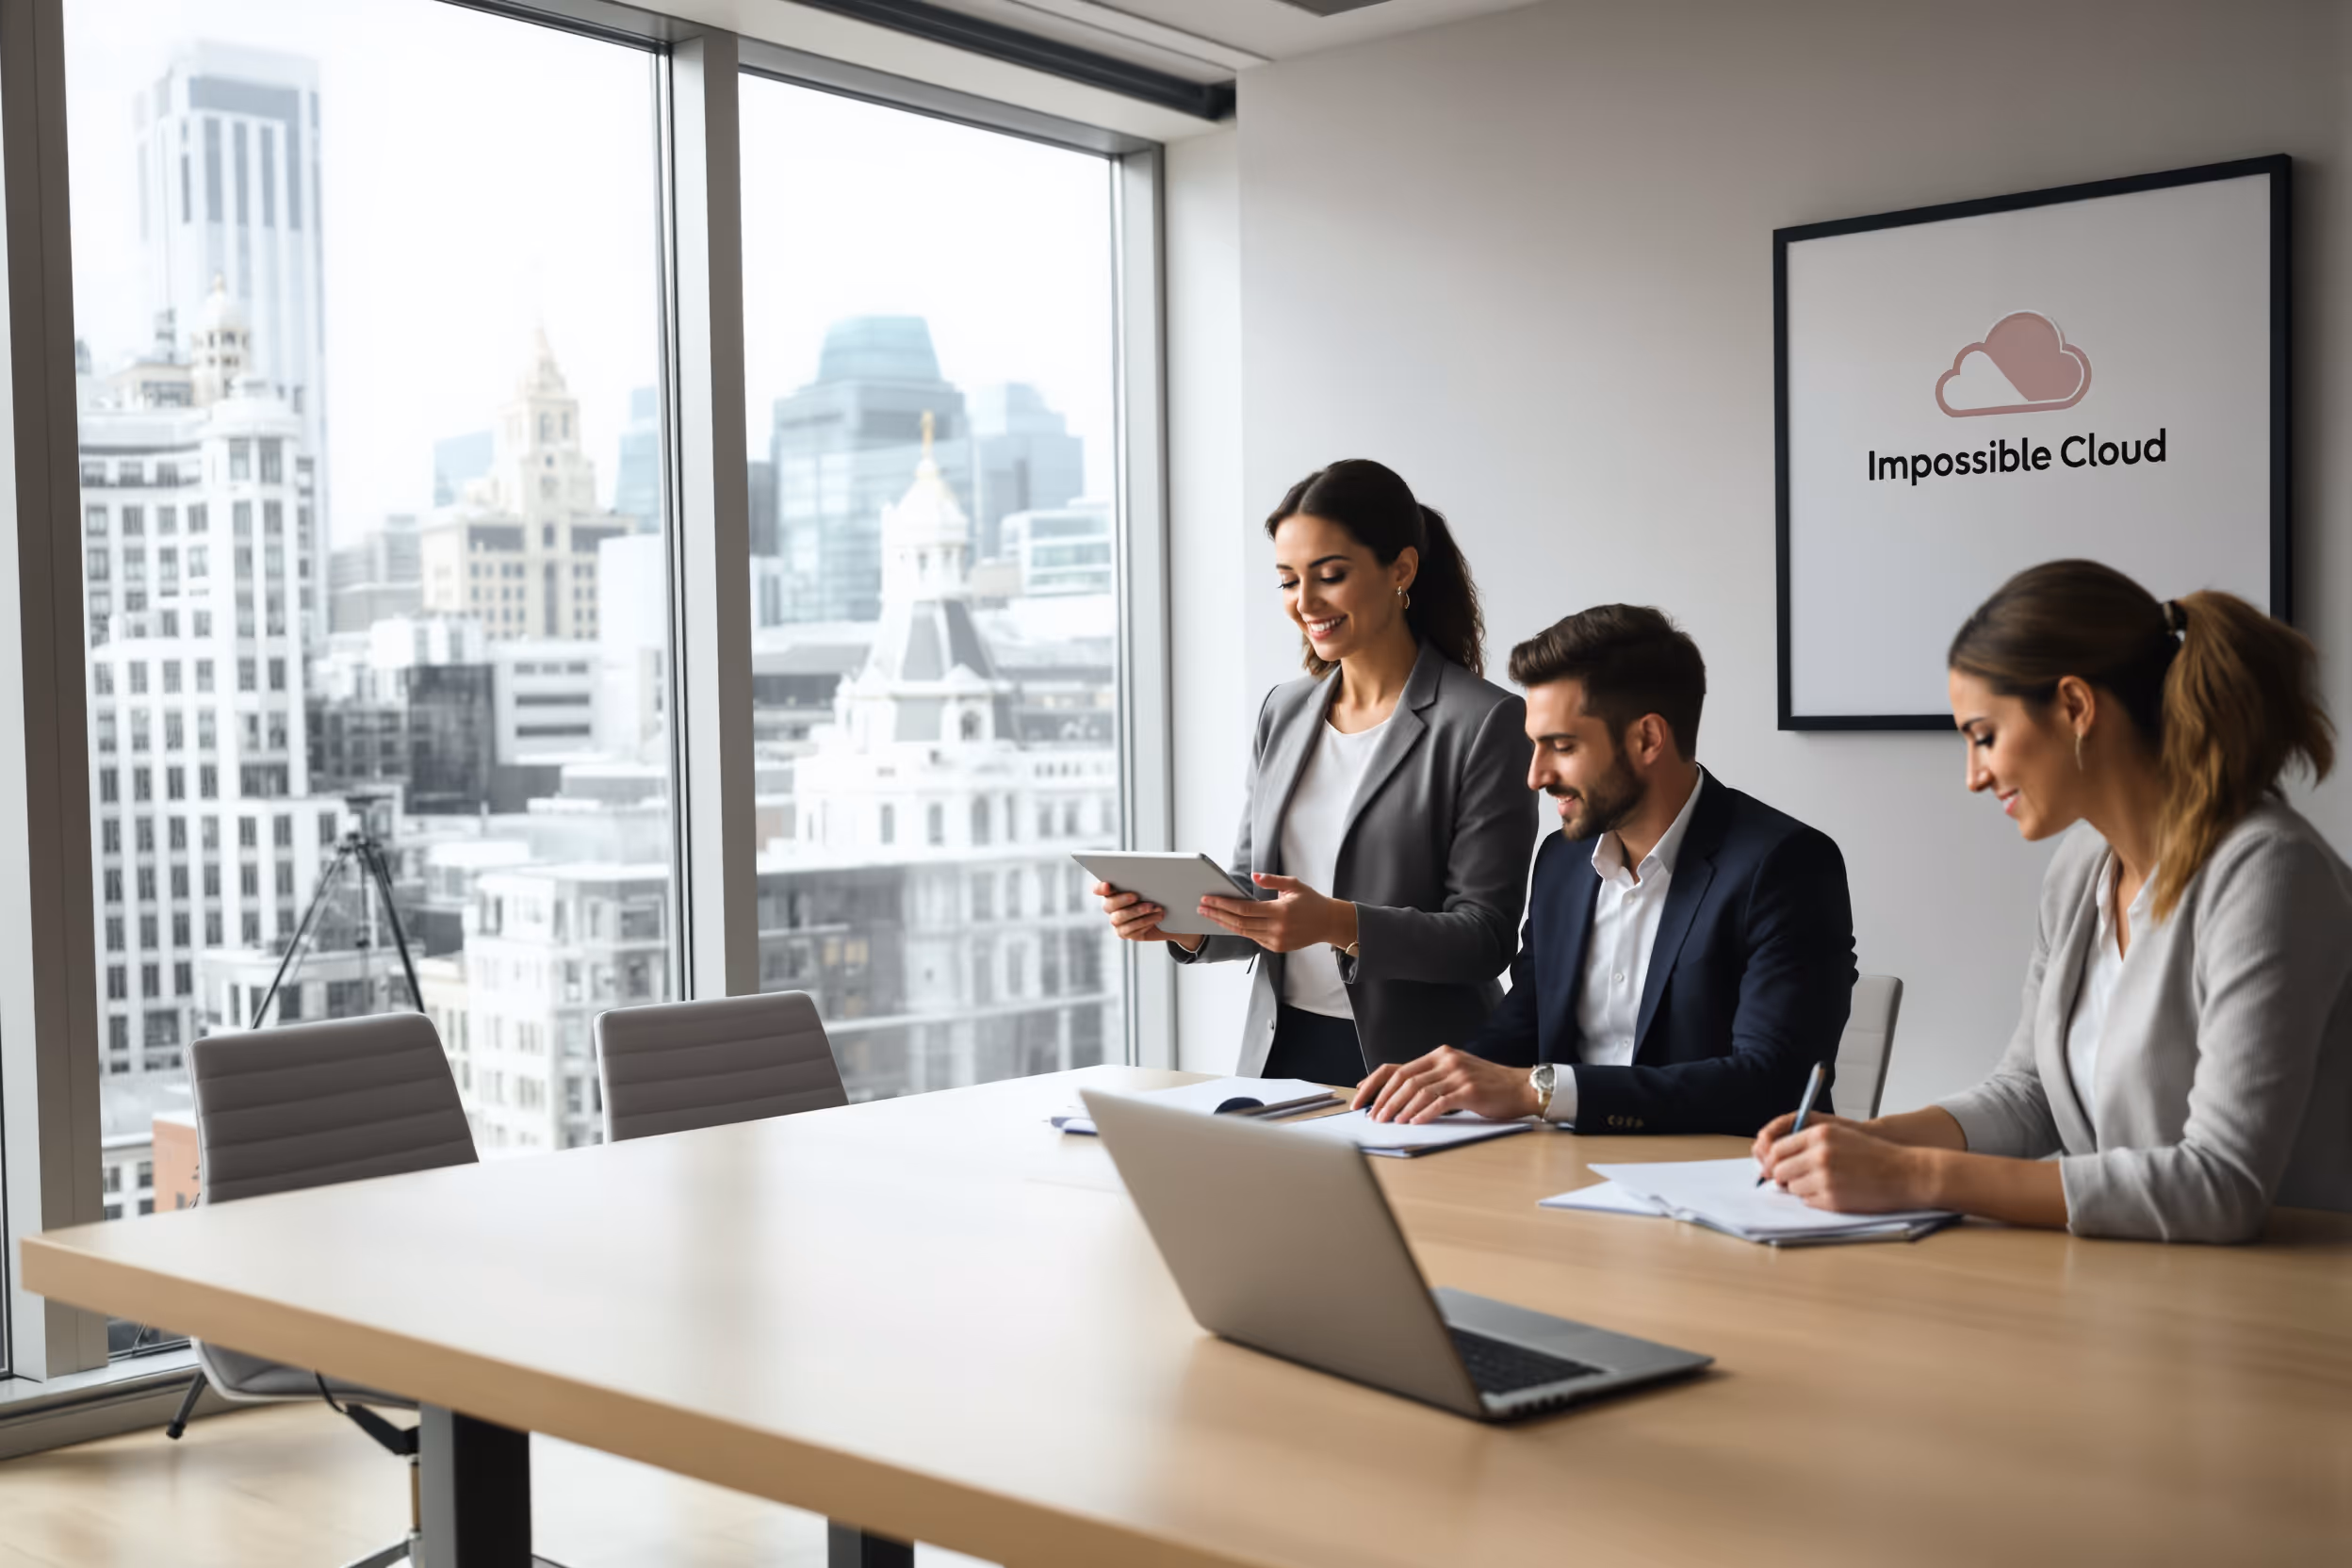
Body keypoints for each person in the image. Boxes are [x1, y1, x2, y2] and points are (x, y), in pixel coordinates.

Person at [1756, 561, 2352, 1243]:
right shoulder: (2080, 870)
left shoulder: (2270, 874)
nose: (1974, 776)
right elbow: (2030, 1094)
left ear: (2075, 707)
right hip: (2135, 1283)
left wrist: (1913, 1175)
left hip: (2291, 1313)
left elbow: (2220, 1184)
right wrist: (1873, 1141)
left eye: (1984, 736)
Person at [1094, 459, 1538, 1086]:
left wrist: (1337, 923)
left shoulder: (1485, 722)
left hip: (1422, 1073)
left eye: (1330, 576)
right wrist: (1185, 926)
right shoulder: (1285, 710)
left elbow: (1485, 938)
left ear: (1401, 570)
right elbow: (1258, 898)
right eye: (1286, 581)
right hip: (1283, 1054)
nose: (1305, 603)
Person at [1355, 603, 1856, 1135]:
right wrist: (1439, 1081)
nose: (1535, 776)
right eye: (1535, 746)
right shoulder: (1561, 862)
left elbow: (1771, 1082)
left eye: (1562, 747)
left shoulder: (1786, 865)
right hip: (1557, 1170)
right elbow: (1522, 1028)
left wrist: (1539, 1091)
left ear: (1647, 739)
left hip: (1716, 1185)